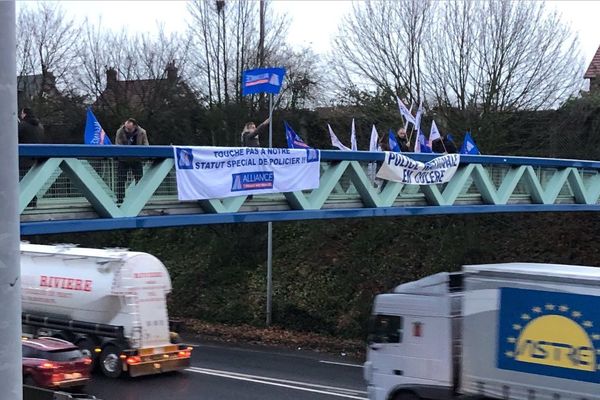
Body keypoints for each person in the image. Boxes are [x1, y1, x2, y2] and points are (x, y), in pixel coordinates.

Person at [114, 118, 149, 203]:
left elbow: (146, 144)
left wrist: (145, 155)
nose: (127, 130)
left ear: (135, 126)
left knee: (139, 179)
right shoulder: (120, 131)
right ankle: (120, 199)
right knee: (121, 179)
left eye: (129, 128)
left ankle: (140, 199)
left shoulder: (142, 132)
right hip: (123, 159)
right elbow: (118, 144)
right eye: (126, 128)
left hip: (136, 159)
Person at [18, 107, 44, 207]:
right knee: (30, 181)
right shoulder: (40, 127)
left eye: (21, 113)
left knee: (22, 181)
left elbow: (15, 137)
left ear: (25, 114)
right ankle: (32, 201)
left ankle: (24, 202)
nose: (21, 115)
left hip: (23, 158)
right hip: (37, 159)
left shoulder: (23, 125)